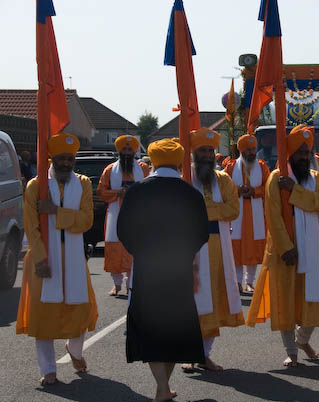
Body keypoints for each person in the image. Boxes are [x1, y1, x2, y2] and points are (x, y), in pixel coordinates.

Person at [117, 138, 208, 402]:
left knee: (149, 327)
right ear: (180, 161)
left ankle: (161, 387)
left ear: (153, 160)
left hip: (147, 267)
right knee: (174, 329)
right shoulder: (191, 194)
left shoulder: (136, 191)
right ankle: (163, 388)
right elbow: (202, 233)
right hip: (179, 268)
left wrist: (142, 251)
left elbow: (124, 230)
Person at [246, 124, 319, 367]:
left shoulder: (315, 178)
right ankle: (292, 352)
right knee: (285, 299)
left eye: (307, 153)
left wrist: (294, 190)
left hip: (312, 245)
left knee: (314, 295)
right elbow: (273, 216)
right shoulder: (276, 178)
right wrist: (286, 247)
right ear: (290, 154)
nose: (304, 157)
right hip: (285, 247)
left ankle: (302, 339)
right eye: (300, 153)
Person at [16, 133, 98, 385]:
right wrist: (40, 259)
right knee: (44, 315)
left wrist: (56, 211)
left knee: (81, 309)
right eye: (61, 159)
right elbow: (31, 227)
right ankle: (48, 369)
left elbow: (86, 220)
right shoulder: (35, 186)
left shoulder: (83, 183)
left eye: (70, 159)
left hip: (74, 255)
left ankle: (74, 349)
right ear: (51, 158)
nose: (66, 164)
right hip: (44, 255)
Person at [183, 128, 244, 372]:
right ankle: (190, 351)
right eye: (203, 151)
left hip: (218, 247)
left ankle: (205, 354)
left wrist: (201, 209)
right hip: (190, 247)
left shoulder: (224, 179)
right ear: (194, 153)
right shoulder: (184, 180)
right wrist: (212, 208)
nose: (208, 155)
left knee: (215, 297)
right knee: (192, 300)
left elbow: (233, 210)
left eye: (211, 150)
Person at [97, 135, 150, 296]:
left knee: (135, 248)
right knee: (114, 248)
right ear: (119, 151)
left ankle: (131, 283)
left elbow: (150, 189)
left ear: (134, 151)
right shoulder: (109, 169)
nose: (127, 152)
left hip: (137, 216)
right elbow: (101, 192)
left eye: (130, 149)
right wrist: (117, 192)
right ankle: (117, 284)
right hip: (115, 215)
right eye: (124, 149)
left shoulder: (143, 168)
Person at [224, 134, 270, 293]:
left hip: (256, 215)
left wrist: (255, 191)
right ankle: (237, 282)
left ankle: (249, 282)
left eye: (253, 149)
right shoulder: (230, 167)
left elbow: (269, 188)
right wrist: (238, 190)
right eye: (248, 149)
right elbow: (223, 189)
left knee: (253, 249)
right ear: (241, 150)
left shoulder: (262, 166)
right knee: (235, 248)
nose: (251, 152)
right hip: (236, 216)